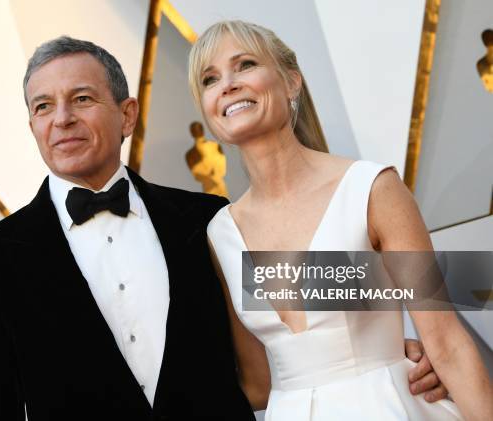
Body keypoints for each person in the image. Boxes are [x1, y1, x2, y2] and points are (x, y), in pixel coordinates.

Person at [0, 35, 443, 420]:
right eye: (43, 106)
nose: (61, 119)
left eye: (81, 98)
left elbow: (311, 299)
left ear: (127, 115)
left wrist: (391, 352)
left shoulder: (211, 219)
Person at [189, 20, 493, 420]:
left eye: (244, 65)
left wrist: (383, 356)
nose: (227, 84)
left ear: (291, 82)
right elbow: (258, 384)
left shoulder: (370, 189)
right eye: (210, 79)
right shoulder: (221, 232)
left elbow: (447, 344)